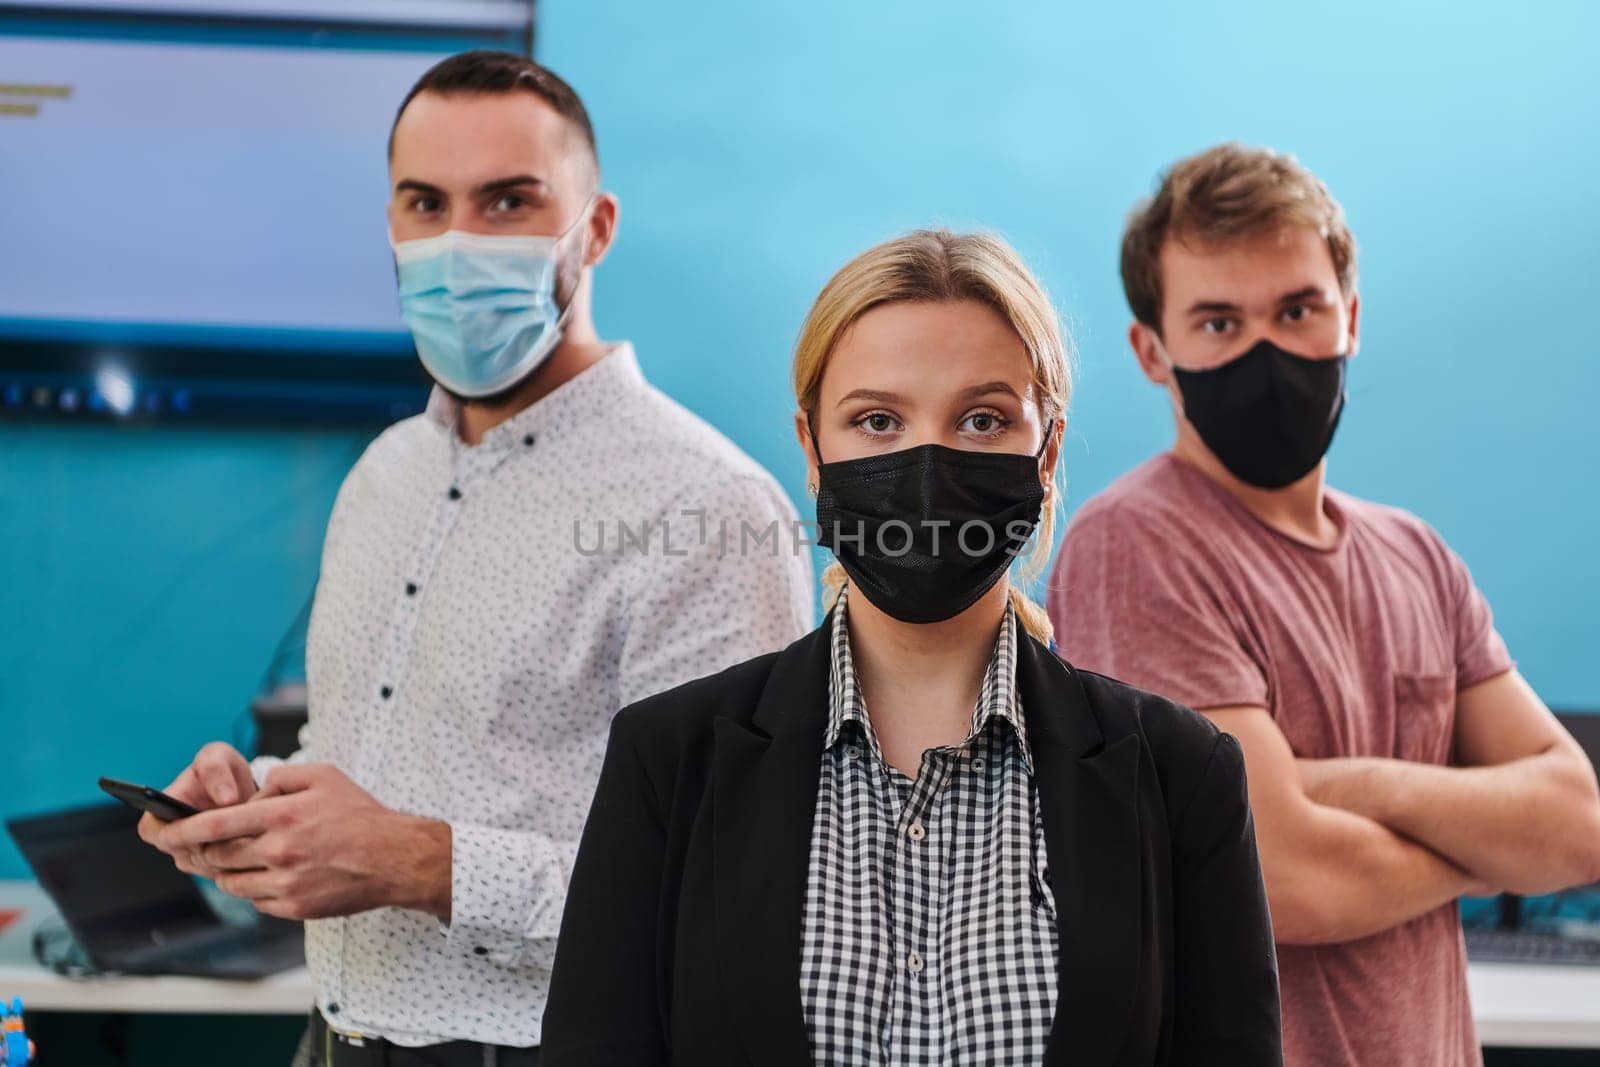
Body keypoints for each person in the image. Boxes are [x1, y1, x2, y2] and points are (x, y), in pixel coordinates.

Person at [139, 51, 814, 1065]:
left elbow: (731, 880)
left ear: (595, 228)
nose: (459, 241)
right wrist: (262, 805)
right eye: (425, 201)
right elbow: (376, 759)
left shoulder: (706, 506)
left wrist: (422, 861)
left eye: (508, 201)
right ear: (391, 222)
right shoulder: (385, 474)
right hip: (332, 1037)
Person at [542, 230, 1283, 1066]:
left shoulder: (1183, 774)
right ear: (812, 451)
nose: (927, 465)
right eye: (877, 420)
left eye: (982, 419)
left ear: (1047, 454)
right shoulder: (668, 762)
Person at [1049, 143, 1600, 1067]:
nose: (1264, 350)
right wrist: (1490, 849)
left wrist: (1352, 783)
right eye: (1218, 322)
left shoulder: (1418, 556)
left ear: (1349, 314)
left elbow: (1579, 824)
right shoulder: (1136, 545)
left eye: (1297, 309)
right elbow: (1287, 879)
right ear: (1153, 351)